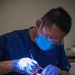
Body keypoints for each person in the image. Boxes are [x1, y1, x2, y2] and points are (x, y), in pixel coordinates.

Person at [0, 6, 72, 75]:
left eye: (55, 42)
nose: (51, 44)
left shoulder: (58, 47)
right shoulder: (8, 41)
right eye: (49, 37)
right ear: (39, 24)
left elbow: (66, 72)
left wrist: (59, 72)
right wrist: (13, 65)